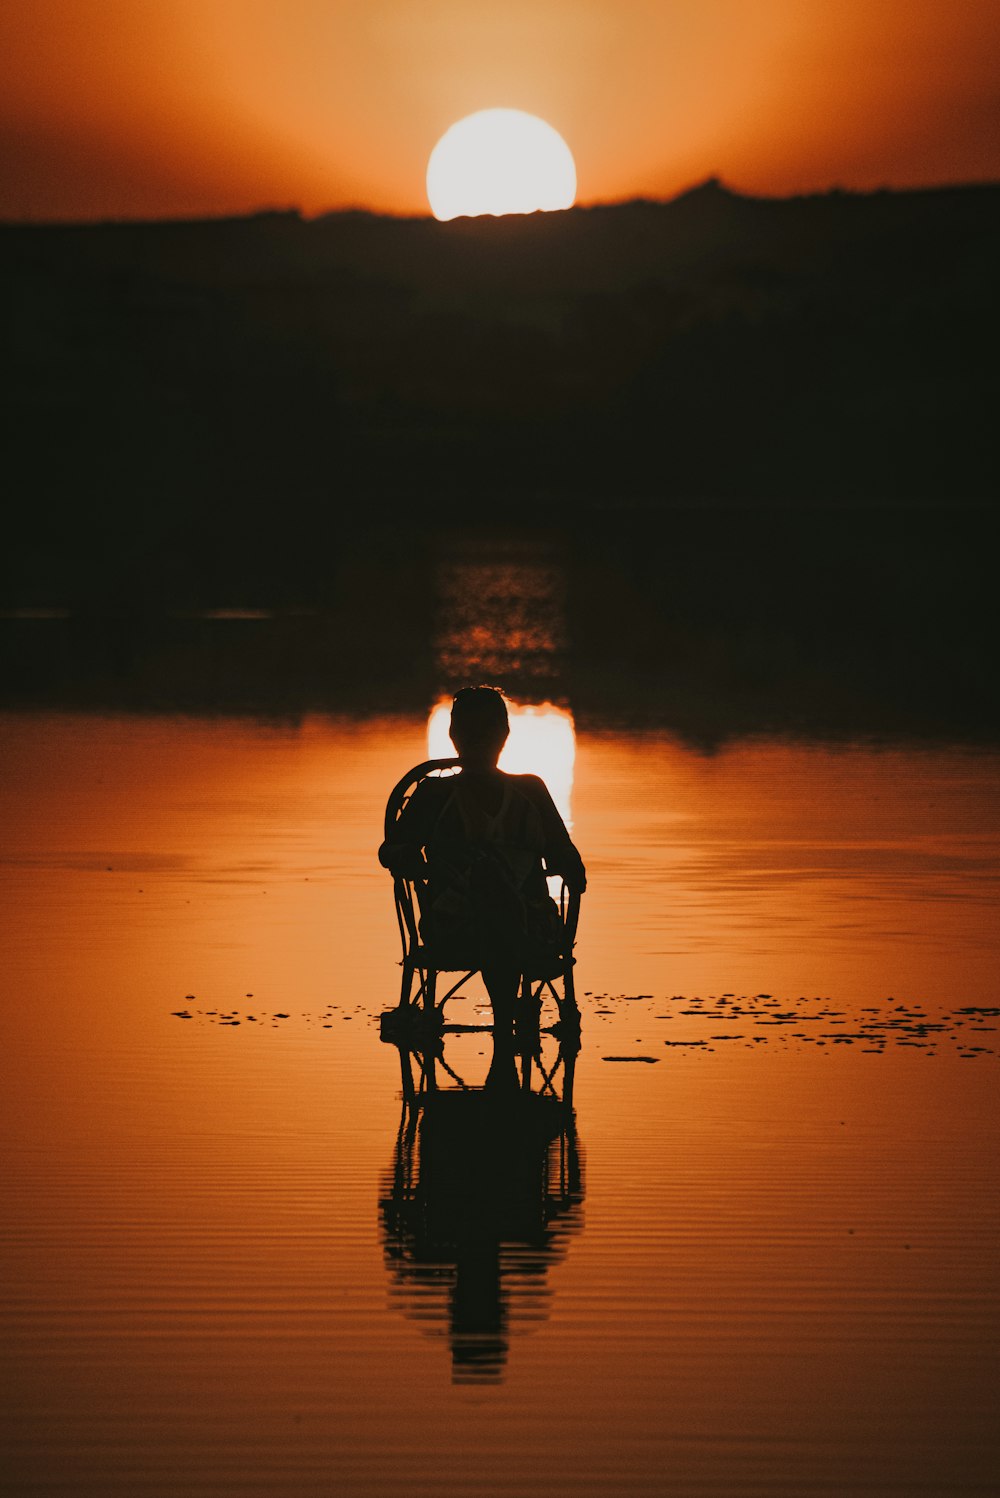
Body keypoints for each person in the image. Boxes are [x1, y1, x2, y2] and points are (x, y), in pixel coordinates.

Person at [379, 686, 586, 1029]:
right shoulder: (433, 793)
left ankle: (505, 1033)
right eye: (468, 731)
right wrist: (406, 856)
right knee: (491, 884)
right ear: (453, 735)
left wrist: (570, 863)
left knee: (499, 893)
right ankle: (507, 1029)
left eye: (486, 730)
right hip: (456, 923)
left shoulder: (530, 790)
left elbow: (562, 849)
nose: (477, 740)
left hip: (531, 921)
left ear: (504, 733)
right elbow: (390, 851)